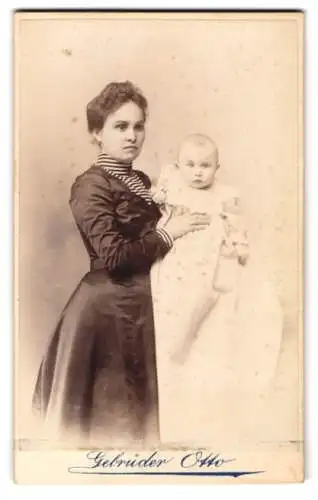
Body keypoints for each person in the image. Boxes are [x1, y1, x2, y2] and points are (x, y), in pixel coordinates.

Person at [32, 83, 211, 448]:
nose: (132, 135)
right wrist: (169, 234)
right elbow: (113, 257)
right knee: (110, 431)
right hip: (107, 309)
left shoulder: (144, 181)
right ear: (96, 132)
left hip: (145, 305)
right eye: (120, 126)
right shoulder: (90, 185)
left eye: (138, 126)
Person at [151, 133, 283, 446]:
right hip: (177, 265)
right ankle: (172, 417)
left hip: (209, 267)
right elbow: (157, 199)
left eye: (205, 166)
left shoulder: (224, 196)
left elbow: (237, 228)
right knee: (173, 332)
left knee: (211, 336)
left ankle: (208, 420)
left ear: (217, 167)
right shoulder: (174, 187)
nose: (198, 172)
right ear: (179, 165)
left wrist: (239, 246)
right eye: (191, 165)